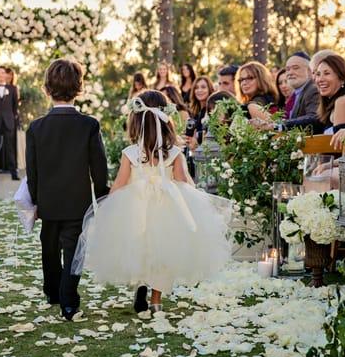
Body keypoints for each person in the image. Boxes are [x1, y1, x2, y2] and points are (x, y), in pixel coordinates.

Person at [73, 90, 231, 314]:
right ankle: (156, 301)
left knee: (139, 247)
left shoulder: (131, 153)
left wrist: (109, 206)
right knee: (163, 253)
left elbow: (119, 184)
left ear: (136, 122)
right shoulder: (174, 152)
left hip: (136, 206)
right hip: (167, 208)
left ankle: (140, 286)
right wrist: (193, 200)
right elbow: (184, 182)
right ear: (165, 121)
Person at [26, 59, 108, 321]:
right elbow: (99, 167)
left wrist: (35, 200)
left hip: (48, 202)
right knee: (74, 251)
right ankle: (68, 302)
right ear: (79, 88)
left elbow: (32, 170)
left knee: (48, 246)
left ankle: (52, 291)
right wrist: (103, 195)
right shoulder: (89, 125)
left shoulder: (36, 127)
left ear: (47, 89)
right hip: (77, 202)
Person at [315, 54, 345, 135]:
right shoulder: (330, 104)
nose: (320, 79)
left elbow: (339, 145)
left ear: (342, 78)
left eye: (327, 73)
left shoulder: (343, 101)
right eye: (318, 74)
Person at [186, 76, 214, 150]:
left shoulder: (212, 111)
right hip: (194, 153)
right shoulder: (195, 113)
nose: (199, 90)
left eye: (203, 87)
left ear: (209, 89)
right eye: (196, 88)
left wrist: (197, 139)